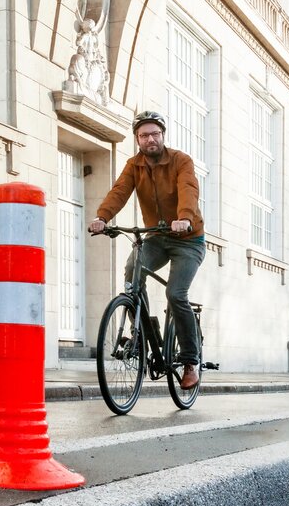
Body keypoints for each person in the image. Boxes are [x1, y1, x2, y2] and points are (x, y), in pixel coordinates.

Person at [88, 110, 206, 389]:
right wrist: (102, 217)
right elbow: (119, 191)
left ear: (163, 135)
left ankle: (190, 360)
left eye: (155, 134)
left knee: (176, 293)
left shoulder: (181, 161)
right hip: (156, 237)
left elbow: (188, 189)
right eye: (144, 135)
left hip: (188, 239)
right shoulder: (134, 164)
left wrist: (185, 218)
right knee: (132, 273)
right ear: (137, 140)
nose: (150, 139)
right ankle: (141, 334)